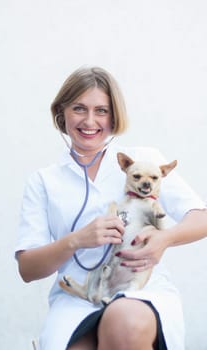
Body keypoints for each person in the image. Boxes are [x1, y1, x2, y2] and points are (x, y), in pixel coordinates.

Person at [15, 66, 207, 350]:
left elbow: (201, 218)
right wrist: (77, 239)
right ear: (61, 112)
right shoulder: (44, 182)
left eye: (101, 111)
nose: (90, 121)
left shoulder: (143, 161)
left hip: (139, 288)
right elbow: (28, 269)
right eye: (79, 108)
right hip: (78, 296)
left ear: (114, 115)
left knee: (123, 321)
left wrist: (164, 239)